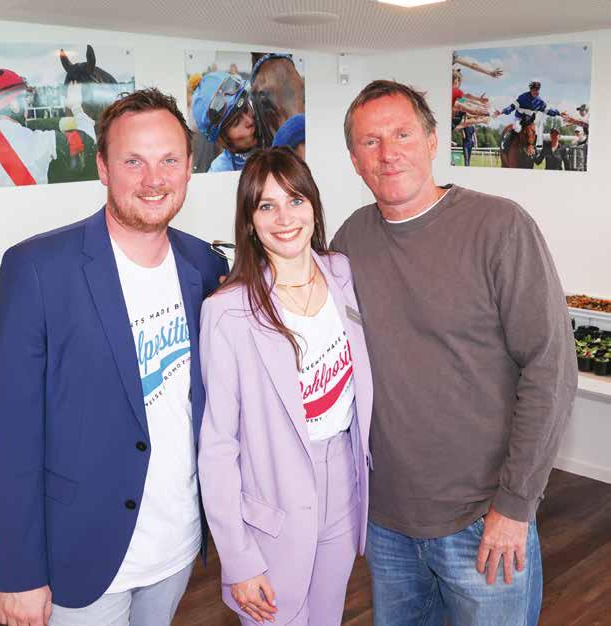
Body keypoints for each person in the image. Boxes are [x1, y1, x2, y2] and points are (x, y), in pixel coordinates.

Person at [332, 80, 578, 626]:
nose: (388, 153)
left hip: (483, 518)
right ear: (354, 160)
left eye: (402, 134)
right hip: (387, 521)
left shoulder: (500, 226)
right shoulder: (351, 239)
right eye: (370, 142)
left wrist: (515, 505)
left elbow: (551, 370)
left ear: (432, 140)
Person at [0, 88, 227, 626]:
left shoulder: (205, 265)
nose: (154, 179)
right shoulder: (36, 270)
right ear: (102, 167)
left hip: (178, 542)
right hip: (80, 554)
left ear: (190, 166)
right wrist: (19, 572)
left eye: (169, 160)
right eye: (133, 161)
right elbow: (9, 438)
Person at [198, 147, 373, 626]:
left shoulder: (341, 273)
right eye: (266, 205)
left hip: (343, 486)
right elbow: (218, 446)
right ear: (249, 221)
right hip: (272, 506)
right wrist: (238, 558)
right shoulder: (227, 310)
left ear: (313, 206)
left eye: (295, 200)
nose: (284, 218)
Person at [0, 69, 96, 187]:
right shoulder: (41, 141)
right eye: (24, 98)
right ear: (14, 104)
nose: (28, 103)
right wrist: (76, 106)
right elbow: (88, 138)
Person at [192, 71, 259, 172]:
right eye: (237, 122)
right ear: (224, 141)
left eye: (246, 109)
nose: (250, 121)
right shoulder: (219, 172)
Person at [493, 80, 566, 153]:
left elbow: (548, 111)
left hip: (530, 120)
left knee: (536, 131)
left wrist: (559, 113)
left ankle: (535, 149)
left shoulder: (540, 102)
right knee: (517, 128)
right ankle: (506, 145)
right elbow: (512, 107)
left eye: (537, 90)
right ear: (530, 90)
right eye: (534, 90)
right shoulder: (522, 97)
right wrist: (502, 111)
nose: (536, 92)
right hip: (520, 118)